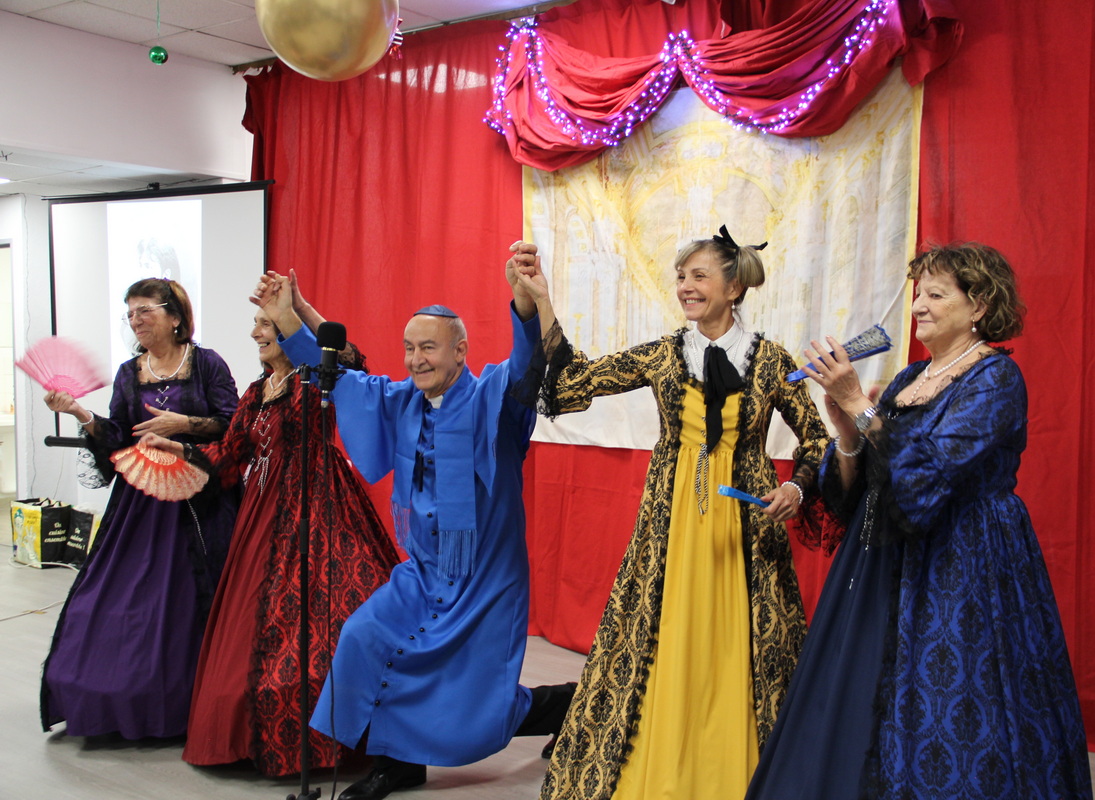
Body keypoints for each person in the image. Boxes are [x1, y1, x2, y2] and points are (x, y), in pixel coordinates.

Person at [745, 243, 1092, 799]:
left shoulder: (995, 378)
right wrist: (849, 430)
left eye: (936, 294)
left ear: (979, 305)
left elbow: (930, 472)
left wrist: (859, 404)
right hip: (882, 563)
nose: (919, 306)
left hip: (961, 563)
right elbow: (858, 488)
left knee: (954, 700)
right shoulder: (909, 377)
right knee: (862, 699)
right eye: (917, 293)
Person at [516, 228, 834, 800]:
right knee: (660, 640)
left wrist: (796, 487)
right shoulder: (664, 354)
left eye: (699, 276)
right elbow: (574, 383)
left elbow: (816, 442)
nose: (686, 286)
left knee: (741, 648)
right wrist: (542, 301)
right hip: (671, 523)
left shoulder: (770, 361)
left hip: (747, 532)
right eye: (681, 277)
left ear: (733, 288)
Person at [254, 259, 574, 800]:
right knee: (365, 638)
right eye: (408, 348)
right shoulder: (400, 399)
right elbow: (333, 373)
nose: (415, 359)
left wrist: (524, 302)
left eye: (428, 347)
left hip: (486, 581)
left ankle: (569, 705)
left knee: (472, 701)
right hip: (423, 574)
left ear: (460, 351)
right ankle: (398, 765)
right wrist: (289, 316)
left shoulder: (495, 399)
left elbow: (527, 364)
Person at [142, 298, 403, 776]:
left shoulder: (316, 377)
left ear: (287, 329)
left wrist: (299, 307)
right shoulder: (256, 391)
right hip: (262, 515)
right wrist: (176, 447)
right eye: (256, 324)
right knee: (252, 627)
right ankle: (250, 736)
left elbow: (353, 364)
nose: (255, 333)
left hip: (321, 508)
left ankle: (342, 738)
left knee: (328, 622)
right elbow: (229, 454)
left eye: (265, 324)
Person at [40, 277, 239, 739]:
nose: (136, 320)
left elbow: (232, 425)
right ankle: (117, 698)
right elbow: (118, 436)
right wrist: (80, 413)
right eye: (130, 313)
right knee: (119, 600)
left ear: (175, 315)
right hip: (141, 503)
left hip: (198, 500)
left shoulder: (207, 364)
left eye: (145, 310)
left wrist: (182, 424)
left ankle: (190, 702)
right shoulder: (130, 373)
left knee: (189, 603)